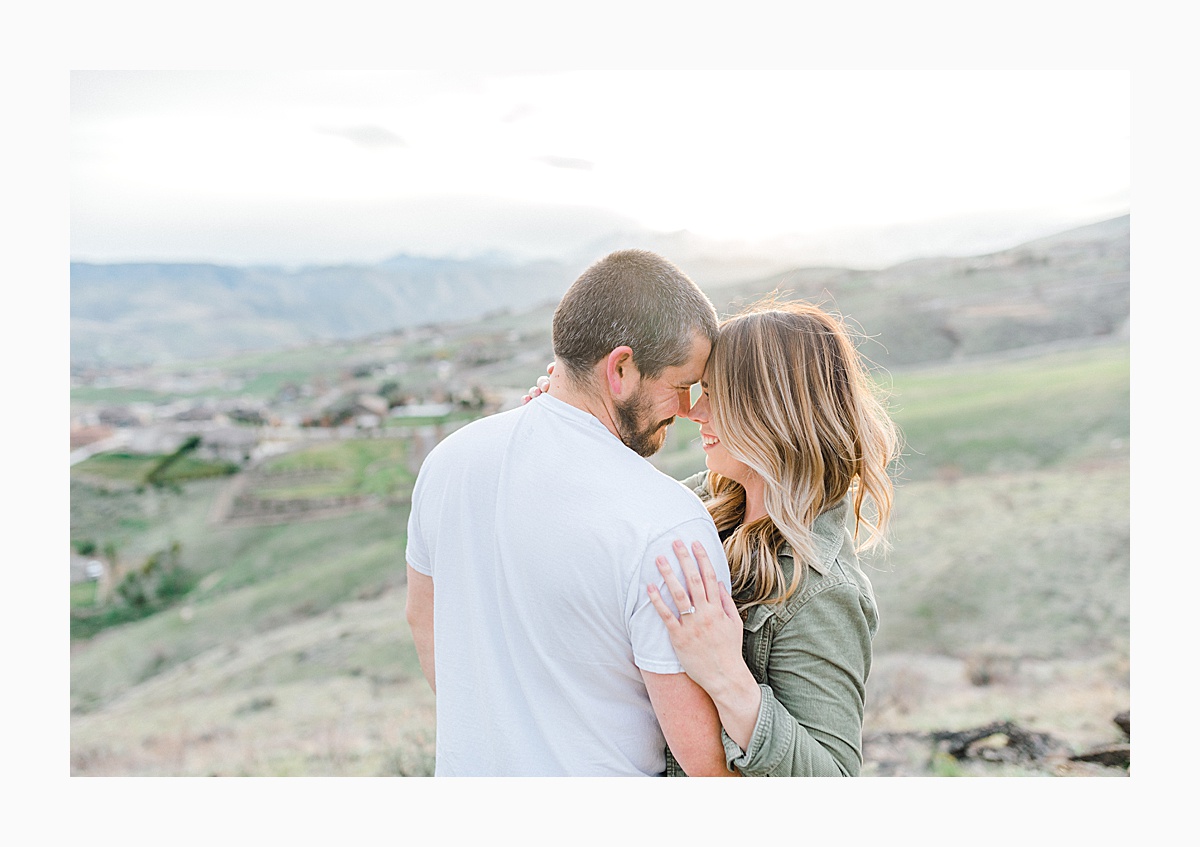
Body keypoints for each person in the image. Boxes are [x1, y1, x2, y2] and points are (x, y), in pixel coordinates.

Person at [405, 249, 737, 776]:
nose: (687, 407)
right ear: (621, 368)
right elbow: (709, 770)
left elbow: (424, 622)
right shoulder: (667, 523)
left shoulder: (448, 461)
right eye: (680, 385)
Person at [646, 299, 900, 776]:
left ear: (769, 411)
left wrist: (727, 677)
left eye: (715, 395)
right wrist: (569, 422)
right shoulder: (703, 504)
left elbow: (833, 781)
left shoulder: (823, 592)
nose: (694, 411)